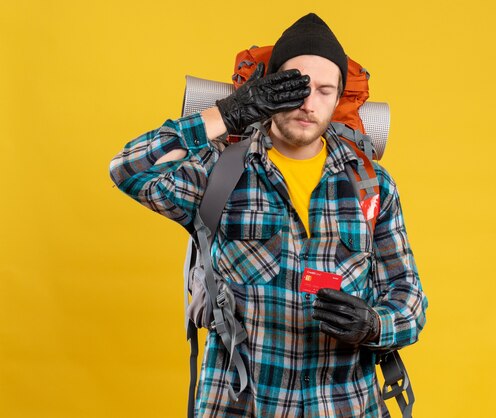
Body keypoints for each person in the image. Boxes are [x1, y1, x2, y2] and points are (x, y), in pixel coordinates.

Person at [110, 13, 427, 418]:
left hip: (347, 406)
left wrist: (375, 325)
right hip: (241, 406)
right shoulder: (219, 172)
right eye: (294, 87)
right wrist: (226, 114)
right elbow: (128, 169)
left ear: (337, 99)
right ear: (269, 89)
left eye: (325, 91)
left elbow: (409, 299)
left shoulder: (372, 185)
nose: (308, 103)